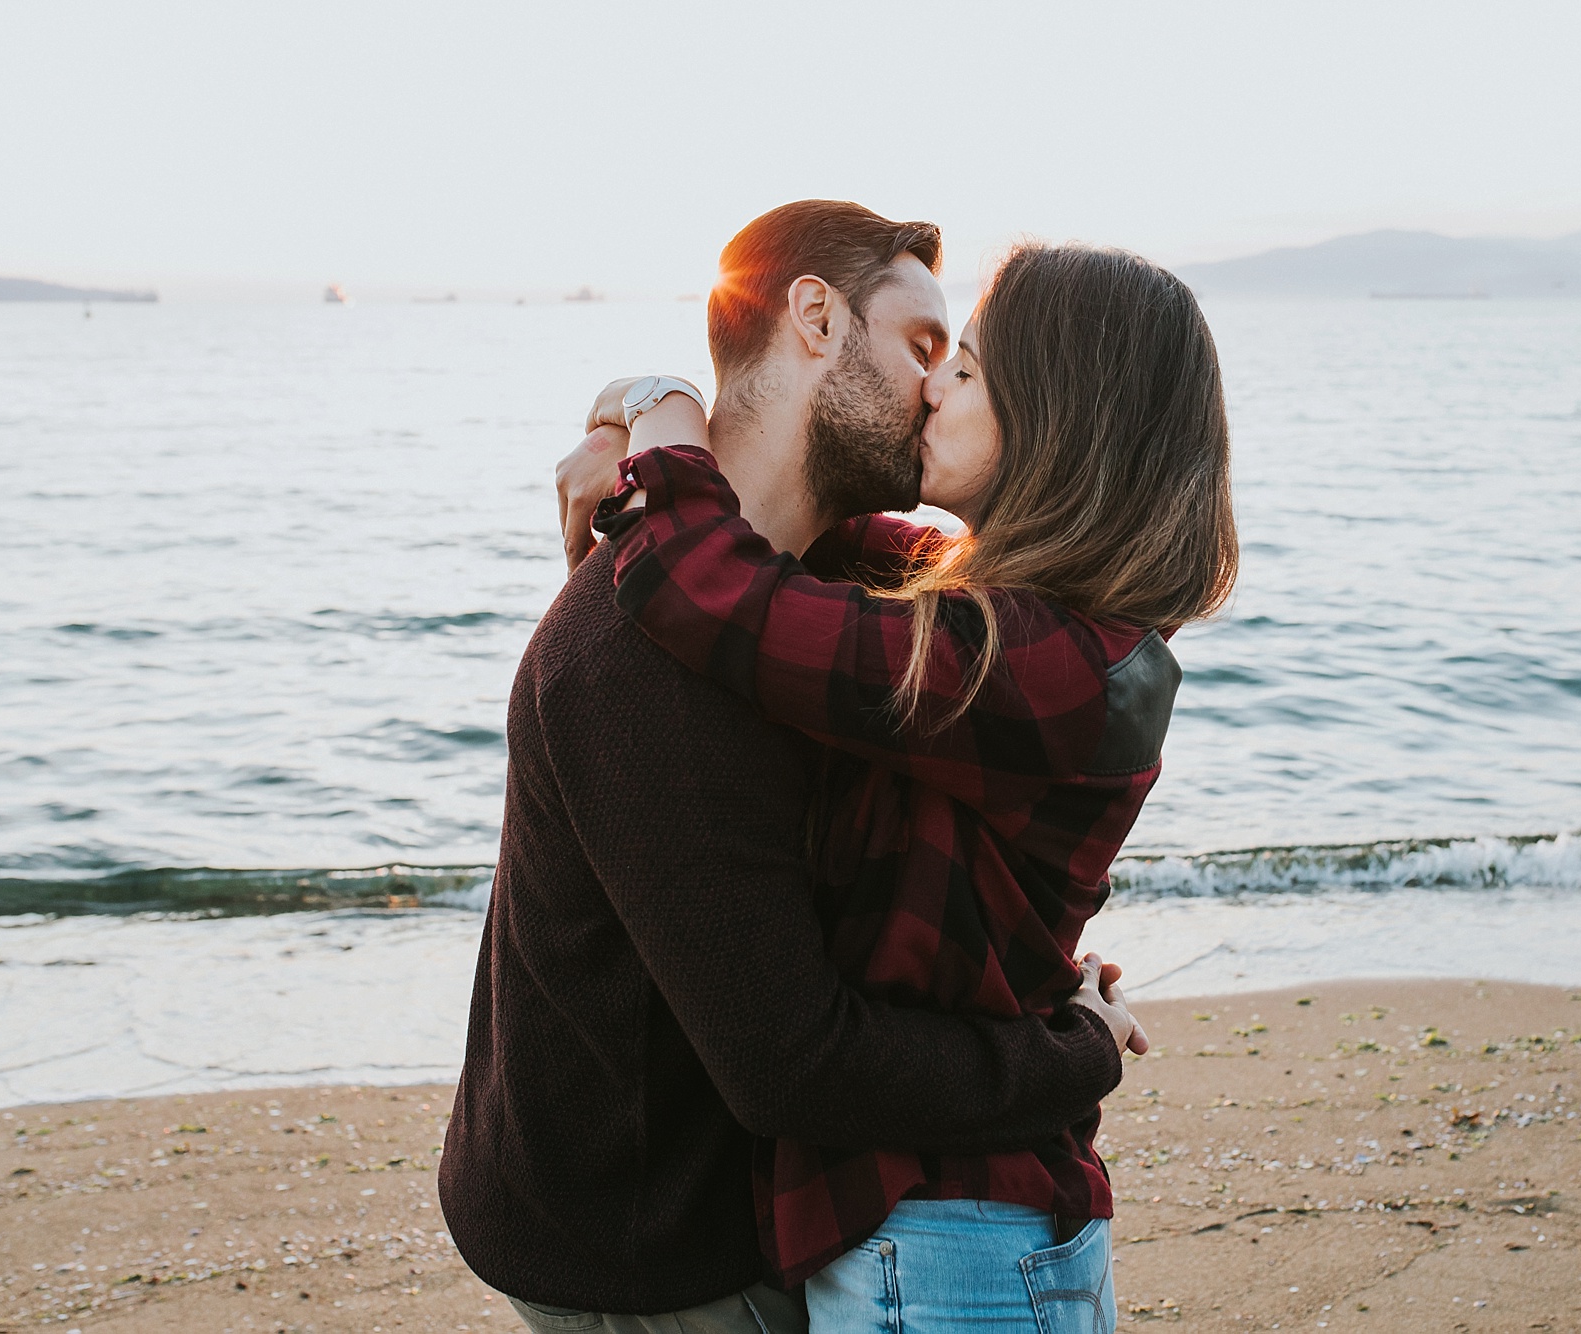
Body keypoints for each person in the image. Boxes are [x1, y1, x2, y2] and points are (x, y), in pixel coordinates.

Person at [440, 202, 1149, 1334]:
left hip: (716, 1207)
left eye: (955, 365)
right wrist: (1063, 1047)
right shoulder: (653, 648)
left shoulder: (829, 593)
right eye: (925, 347)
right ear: (813, 317)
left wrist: (644, 404)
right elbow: (794, 1062)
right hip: (652, 1253)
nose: (936, 388)